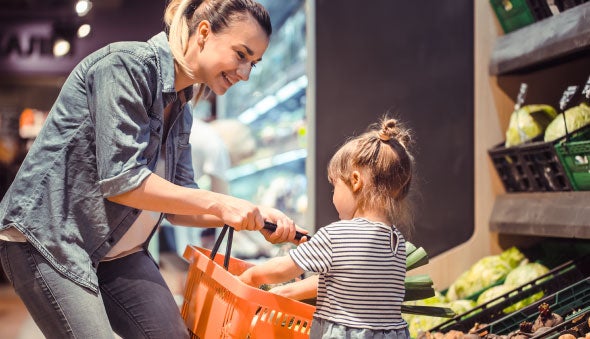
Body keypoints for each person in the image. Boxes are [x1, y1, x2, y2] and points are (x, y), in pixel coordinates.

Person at [0, 0, 307, 338]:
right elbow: (123, 181)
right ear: (203, 32)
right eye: (241, 54)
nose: (246, 73)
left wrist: (252, 214)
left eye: (254, 63)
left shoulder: (183, 107)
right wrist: (222, 204)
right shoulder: (125, 66)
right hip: (52, 243)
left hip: (118, 252)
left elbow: (181, 205)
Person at [239, 116, 414, 339]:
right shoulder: (396, 241)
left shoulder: (337, 234)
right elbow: (348, 284)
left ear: (356, 181)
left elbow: (283, 269)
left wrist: (250, 277)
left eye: (334, 186)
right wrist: (288, 289)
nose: (333, 195)